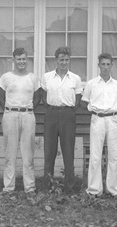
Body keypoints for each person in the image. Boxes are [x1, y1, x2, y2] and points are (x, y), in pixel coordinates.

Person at [81, 53, 117, 199]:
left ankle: (113, 189)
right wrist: (95, 110)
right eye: (103, 64)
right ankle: (94, 189)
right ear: (98, 65)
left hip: (112, 120)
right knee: (95, 155)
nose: (105, 67)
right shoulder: (91, 84)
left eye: (108, 64)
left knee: (113, 155)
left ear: (111, 65)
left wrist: (111, 110)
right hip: (97, 119)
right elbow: (83, 102)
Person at [0, 48, 41, 196]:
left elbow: (37, 97)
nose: (21, 62)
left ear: (27, 60)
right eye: (18, 59)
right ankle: (8, 187)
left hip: (28, 115)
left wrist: (27, 109)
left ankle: (30, 187)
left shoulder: (33, 78)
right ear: (13, 60)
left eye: (24, 59)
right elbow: (1, 97)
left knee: (28, 153)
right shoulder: (6, 77)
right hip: (10, 115)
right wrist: (10, 109)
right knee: (10, 152)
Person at [41, 46, 83, 194]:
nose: (64, 62)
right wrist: (53, 109)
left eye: (66, 60)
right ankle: (48, 185)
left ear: (69, 60)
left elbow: (77, 100)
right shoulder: (47, 77)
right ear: (56, 60)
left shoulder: (75, 79)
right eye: (61, 60)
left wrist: (68, 111)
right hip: (51, 114)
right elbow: (43, 97)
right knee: (49, 151)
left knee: (68, 151)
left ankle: (70, 187)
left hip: (68, 115)